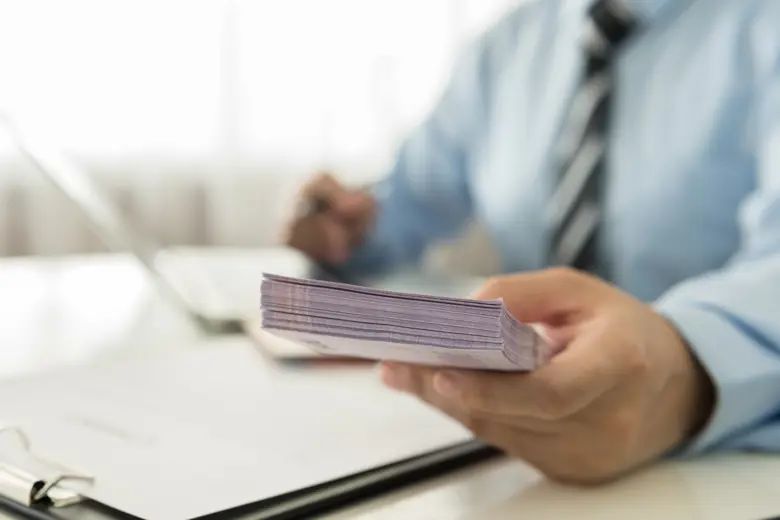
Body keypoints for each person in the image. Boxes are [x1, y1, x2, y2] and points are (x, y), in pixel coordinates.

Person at [283, 0, 780, 485]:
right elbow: (409, 204)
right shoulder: (506, 46)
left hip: (710, 467)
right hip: (501, 453)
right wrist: (348, 230)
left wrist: (682, 369)